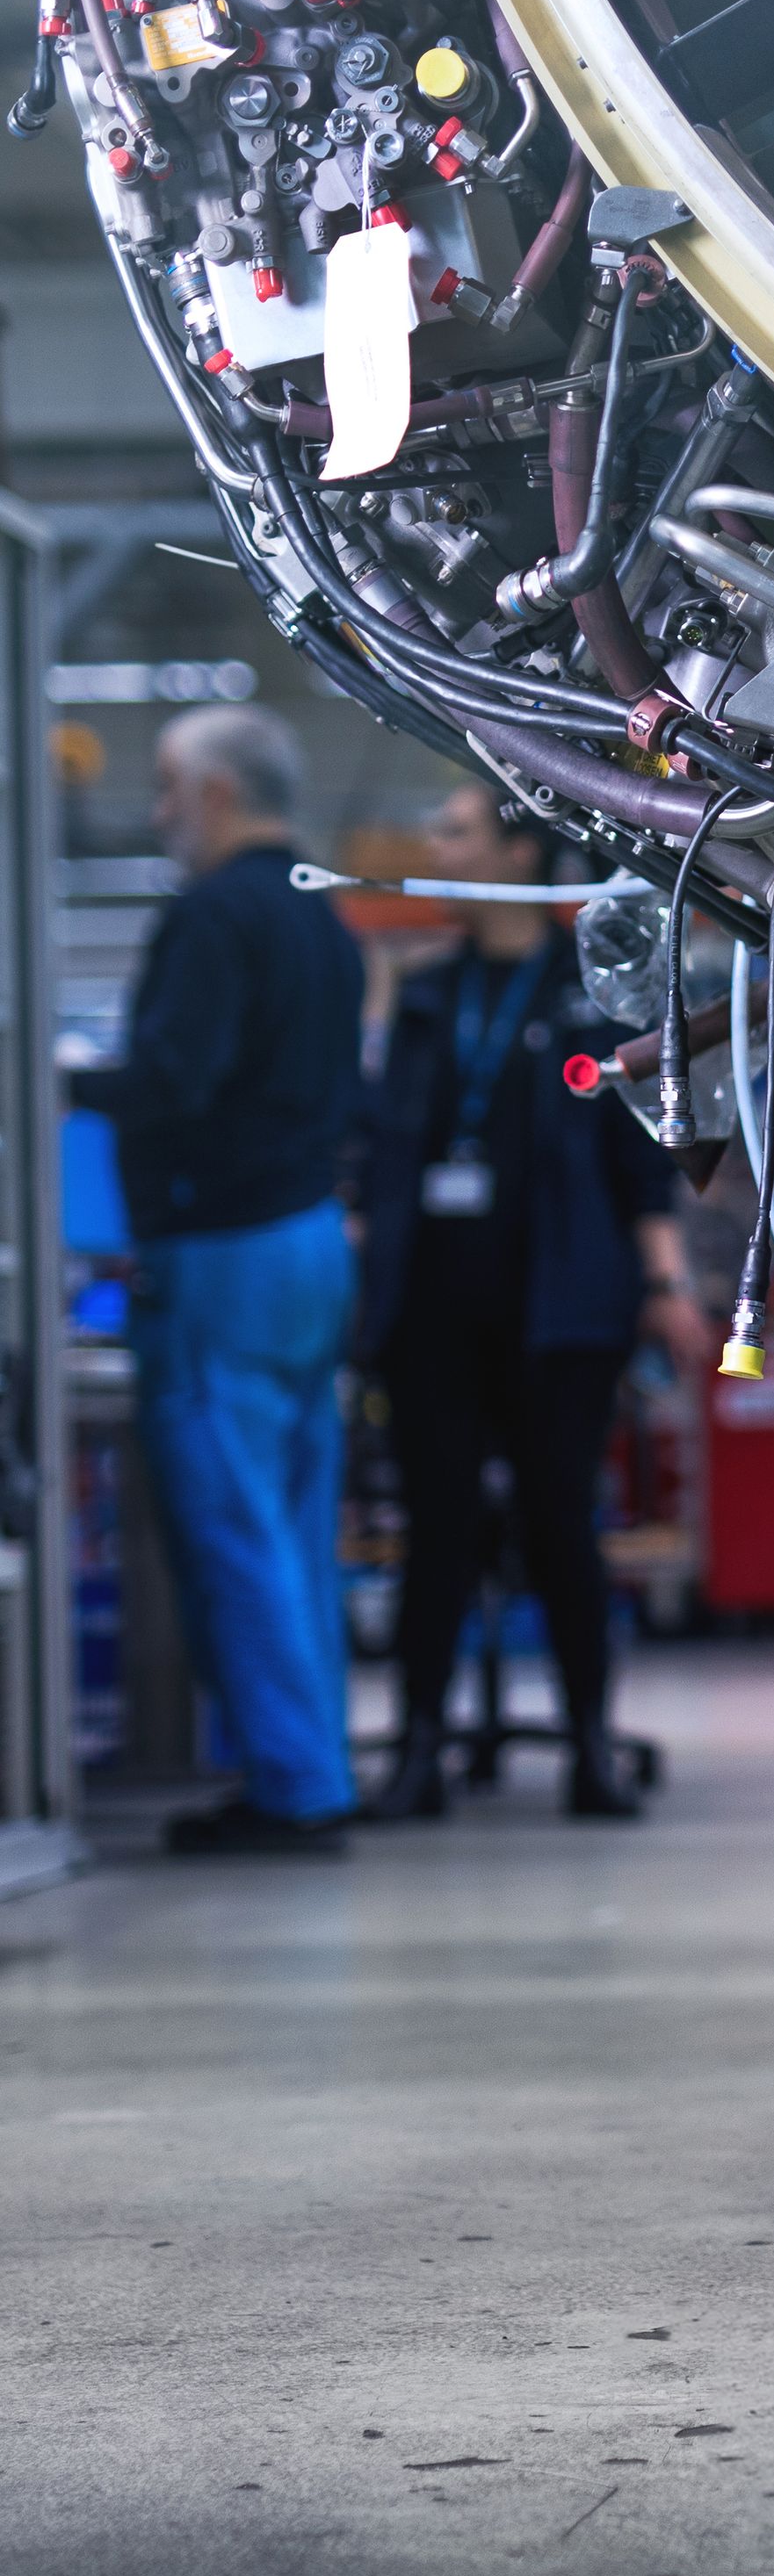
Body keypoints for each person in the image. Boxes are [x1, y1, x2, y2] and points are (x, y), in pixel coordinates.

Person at [354, 785, 713, 1820]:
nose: (433, 846)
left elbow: (638, 1165)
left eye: (454, 832)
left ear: (517, 857)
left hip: (565, 1315)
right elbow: (383, 1152)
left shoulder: (591, 998)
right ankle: (419, 1747)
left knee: (560, 1527)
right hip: (430, 1312)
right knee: (439, 1529)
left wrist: (661, 1284)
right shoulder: (425, 996)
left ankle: (590, 1748)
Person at [70, 706, 364, 1851]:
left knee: (234, 1529)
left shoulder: (211, 917)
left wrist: (58, 1087)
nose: (157, 817)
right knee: (294, 1523)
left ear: (213, 795)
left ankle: (295, 1790)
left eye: (165, 791)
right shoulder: (321, 916)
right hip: (306, 1244)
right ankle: (313, 1763)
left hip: (221, 1258)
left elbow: (174, 1082)